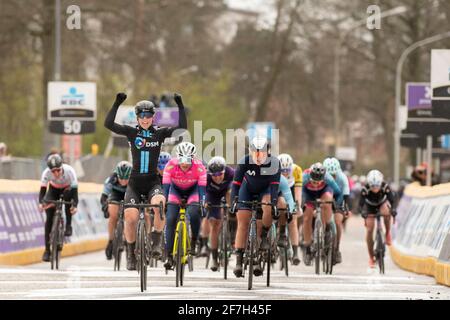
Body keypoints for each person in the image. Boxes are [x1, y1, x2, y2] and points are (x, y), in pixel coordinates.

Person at [104, 92, 187, 270]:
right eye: (141, 115)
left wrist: (180, 105)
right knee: (131, 218)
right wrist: (117, 102)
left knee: (159, 205)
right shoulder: (131, 132)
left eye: (148, 115)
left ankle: (156, 242)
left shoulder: (159, 133)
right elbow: (108, 124)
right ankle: (131, 254)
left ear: (152, 116)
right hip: (134, 182)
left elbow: (182, 129)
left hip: (152, 182)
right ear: (137, 117)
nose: (145, 119)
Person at [230, 136, 281, 278]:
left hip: (265, 191)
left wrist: (274, 204)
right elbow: (236, 185)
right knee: (243, 223)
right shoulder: (245, 161)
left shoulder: (274, 163)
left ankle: (264, 236)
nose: (258, 156)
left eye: (262, 152)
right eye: (255, 152)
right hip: (247, 190)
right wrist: (234, 201)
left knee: (268, 206)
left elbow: (274, 188)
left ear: (268, 152)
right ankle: (239, 261)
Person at [162, 142, 207, 270]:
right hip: (175, 192)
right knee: (170, 219)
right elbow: (165, 188)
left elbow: (202, 191)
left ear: (193, 158)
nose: (185, 163)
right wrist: (164, 202)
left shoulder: (200, 168)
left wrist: (202, 205)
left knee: (194, 213)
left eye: (188, 159)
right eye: (182, 158)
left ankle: (194, 240)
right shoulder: (170, 165)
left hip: (193, 192)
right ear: (178, 157)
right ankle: (169, 255)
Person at [38, 154, 78, 262]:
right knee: (49, 217)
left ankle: (68, 225)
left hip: (67, 189)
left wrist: (75, 205)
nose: (56, 173)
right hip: (53, 190)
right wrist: (41, 203)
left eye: (58, 170)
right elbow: (42, 191)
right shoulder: (46, 173)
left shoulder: (70, 171)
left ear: (62, 167)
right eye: (53, 171)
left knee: (69, 202)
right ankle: (47, 250)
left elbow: (75, 193)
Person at [301, 163, 342, 266]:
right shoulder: (304, 177)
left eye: (318, 182)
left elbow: (338, 192)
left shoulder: (328, 178)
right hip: (308, 194)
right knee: (306, 218)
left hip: (324, 192)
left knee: (327, 202)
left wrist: (338, 205)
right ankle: (307, 245)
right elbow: (297, 192)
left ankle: (327, 227)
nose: (316, 184)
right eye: (313, 181)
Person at [358, 170, 396, 268]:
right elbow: (360, 204)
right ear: (369, 184)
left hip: (381, 203)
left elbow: (392, 200)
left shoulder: (385, 186)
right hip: (369, 206)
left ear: (380, 183)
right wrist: (362, 212)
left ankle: (387, 233)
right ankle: (371, 257)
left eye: (377, 186)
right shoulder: (365, 189)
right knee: (370, 229)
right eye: (372, 186)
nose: (375, 188)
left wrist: (393, 210)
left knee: (387, 212)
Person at [204, 156, 235, 272]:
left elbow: (236, 187)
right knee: (214, 224)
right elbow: (203, 192)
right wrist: (205, 203)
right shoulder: (206, 177)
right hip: (213, 196)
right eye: (214, 175)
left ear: (224, 171)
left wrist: (232, 206)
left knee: (230, 194)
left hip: (227, 192)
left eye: (219, 174)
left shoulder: (231, 173)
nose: (217, 177)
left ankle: (232, 236)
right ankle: (214, 258)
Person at [100, 161, 132, 260]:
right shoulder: (111, 179)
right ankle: (110, 241)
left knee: (130, 216)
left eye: (126, 178)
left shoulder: (134, 179)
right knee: (113, 215)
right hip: (116, 194)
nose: (123, 181)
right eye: (121, 178)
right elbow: (104, 197)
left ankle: (128, 240)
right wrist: (105, 207)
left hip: (129, 193)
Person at [323, 157, 349, 264]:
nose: (332, 177)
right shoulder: (322, 176)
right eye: (330, 175)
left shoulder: (342, 178)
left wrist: (344, 207)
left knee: (338, 222)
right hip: (326, 197)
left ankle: (337, 248)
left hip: (339, 199)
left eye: (334, 174)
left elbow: (346, 195)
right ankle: (321, 235)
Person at [278, 153, 303, 265]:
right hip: (278, 190)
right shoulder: (272, 170)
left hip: (291, 189)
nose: (285, 172)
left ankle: (296, 253)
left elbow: (298, 191)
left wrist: (297, 206)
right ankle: (280, 232)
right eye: (282, 170)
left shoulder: (297, 170)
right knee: (280, 205)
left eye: (287, 170)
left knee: (293, 220)